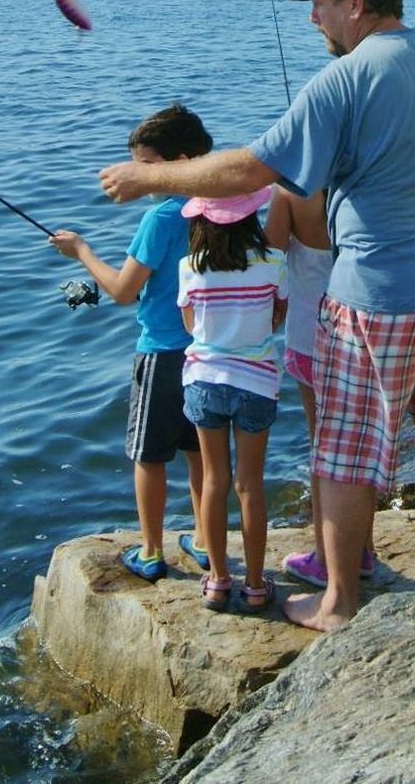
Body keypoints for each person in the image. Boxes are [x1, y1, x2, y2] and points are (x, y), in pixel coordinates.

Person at [99, 0, 415, 631]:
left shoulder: (345, 78)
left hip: (380, 290)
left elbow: (247, 171)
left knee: (345, 453)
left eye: (317, 2)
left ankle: (338, 604)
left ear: (353, 0)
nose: (310, 17)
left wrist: (150, 177)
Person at [50, 103, 212, 583]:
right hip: (206, 349)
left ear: (177, 161)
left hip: (162, 351)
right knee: (199, 451)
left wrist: (80, 250)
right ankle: (205, 541)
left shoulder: (160, 218)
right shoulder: (217, 208)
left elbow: (123, 291)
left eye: (144, 165)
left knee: (148, 456)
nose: (136, 175)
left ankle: (150, 550)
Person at [178, 188, 288, 611]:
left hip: (204, 380)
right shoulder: (273, 263)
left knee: (213, 480)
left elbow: (191, 327)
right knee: (249, 484)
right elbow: (277, 318)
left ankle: (219, 580)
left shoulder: (190, 267)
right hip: (257, 382)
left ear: (201, 224)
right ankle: (257, 585)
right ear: (249, 219)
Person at [264, 186, 376, 588]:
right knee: (361, 444)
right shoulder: (362, 181)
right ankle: (364, 549)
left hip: (310, 336)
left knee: (323, 447)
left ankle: (326, 556)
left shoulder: (289, 193)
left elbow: (269, 254)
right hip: (365, 332)